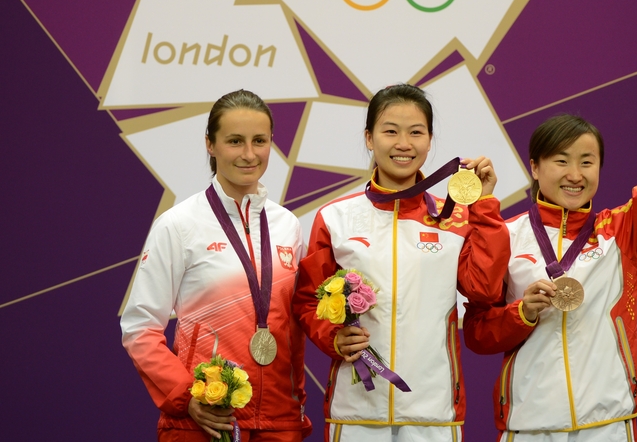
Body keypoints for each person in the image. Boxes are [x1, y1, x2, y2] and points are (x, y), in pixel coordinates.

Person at [462, 54, 637, 442]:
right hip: (529, 427)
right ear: (535, 167)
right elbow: (478, 334)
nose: (575, 175)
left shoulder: (623, 229)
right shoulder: (507, 235)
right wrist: (522, 313)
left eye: (587, 162)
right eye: (561, 161)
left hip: (608, 426)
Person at [293, 83, 510, 441]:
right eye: (390, 131)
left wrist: (483, 205)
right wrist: (334, 337)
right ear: (369, 137)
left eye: (416, 132)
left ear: (430, 140)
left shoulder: (454, 219)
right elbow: (306, 301)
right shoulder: (336, 217)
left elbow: (484, 291)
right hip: (356, 412)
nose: (404, 143)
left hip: (433, 411)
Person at [121, 89, 311, 441]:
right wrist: (186, 396)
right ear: (210, 144)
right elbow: (139, 328)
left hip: (278, 421)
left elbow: (292, 329)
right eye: (235, 141)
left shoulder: (288, 225)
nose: (249, 154)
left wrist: (294, 404)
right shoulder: (178, 225)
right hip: (205, 420)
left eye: (260, 141)